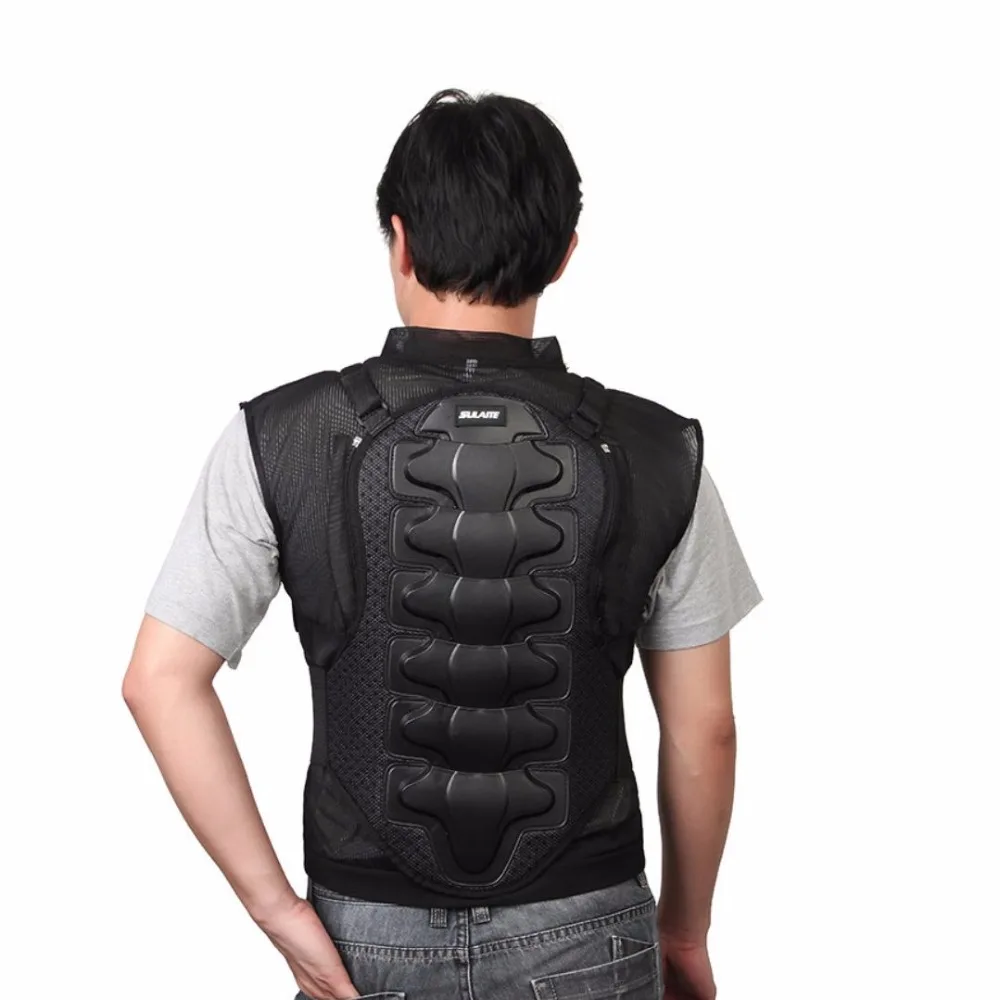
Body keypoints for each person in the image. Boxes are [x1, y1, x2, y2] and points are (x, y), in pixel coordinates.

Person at [123, 89, 762, 1000]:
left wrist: (279, 913)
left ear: (399, 240)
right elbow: (706, 729)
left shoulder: (282, 436)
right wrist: (685, 932)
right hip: (587, 925)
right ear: (565, 253)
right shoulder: (659, 450)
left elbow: (158, 681)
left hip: (363, 937)